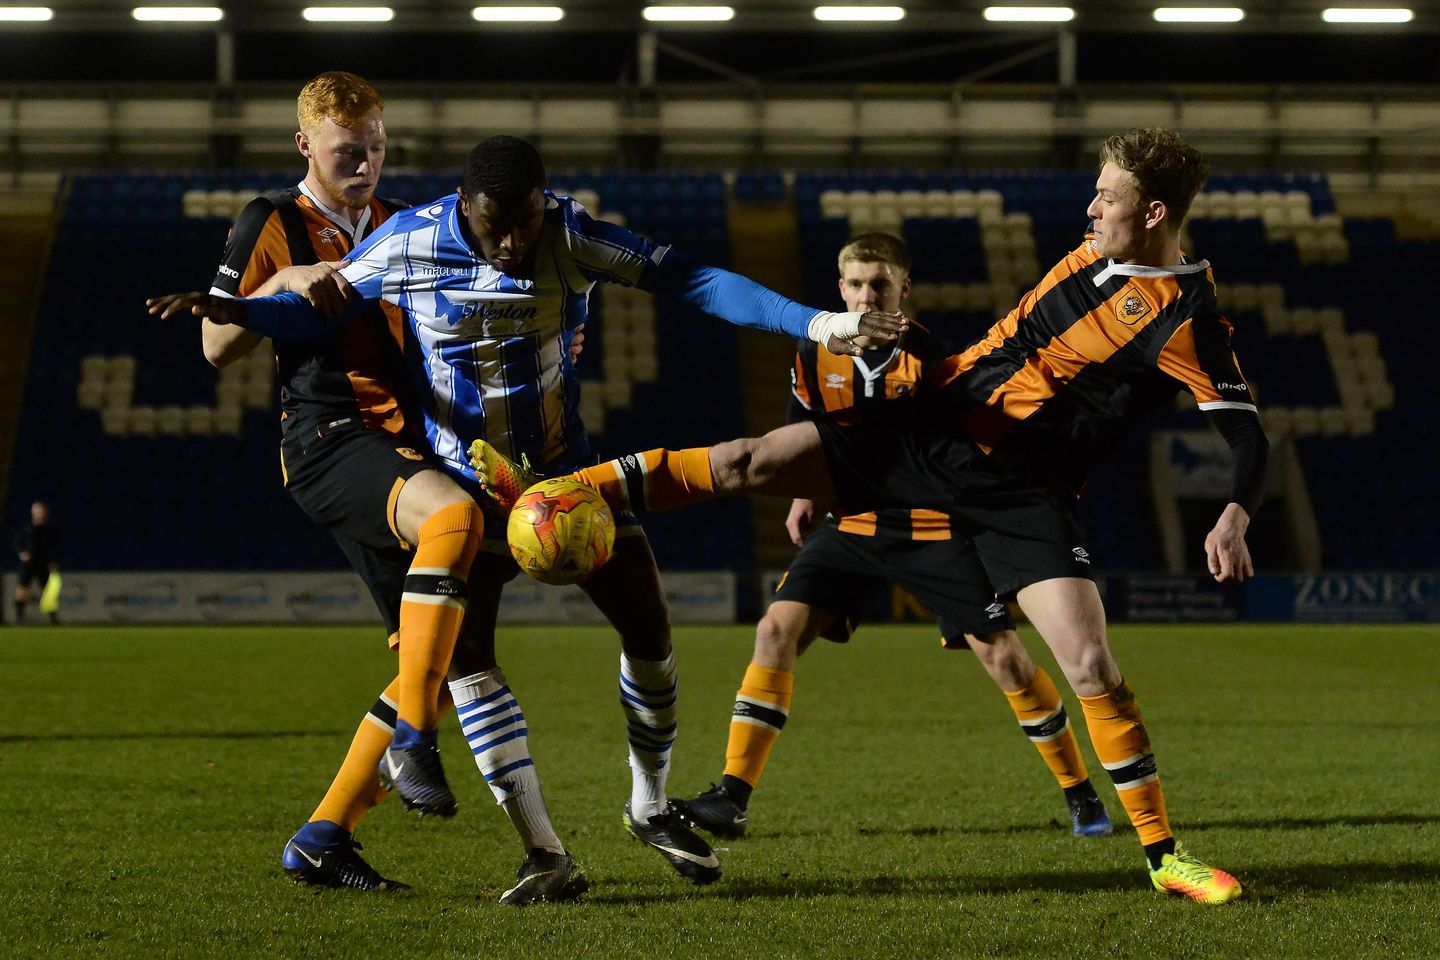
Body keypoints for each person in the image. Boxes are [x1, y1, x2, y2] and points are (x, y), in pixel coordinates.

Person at [476, 128, 1262, 905]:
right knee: (752, 460)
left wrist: (1234, 511)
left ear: (1154, 212)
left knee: (1088, 666)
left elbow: (1247, 433)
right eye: (1096, 189)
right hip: (933, 431)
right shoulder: (1092, 251)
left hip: (1024, 493)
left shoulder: (1185, 319)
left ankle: (1164, 858)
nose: (1090, 206)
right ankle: (558, 488)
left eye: (1108, 196)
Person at [148, 134, 906, 888]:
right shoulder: (409, 241)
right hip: (466, 485)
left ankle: (648, 803)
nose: (513, 240)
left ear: (545, 200)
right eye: (494, 223)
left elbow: (696, 281)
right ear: (466, 207)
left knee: (648, 620)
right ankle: (544, 852)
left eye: (526, 219)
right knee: (468, 667)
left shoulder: (571, 235)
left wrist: (821, 323)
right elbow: (320, 311)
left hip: (566, 479)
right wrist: (234, 305)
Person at [174, 72, 583, 904]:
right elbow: (217, 344)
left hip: (417, 449)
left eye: (376, 148)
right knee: (453, 524)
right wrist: (285, 284)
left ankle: (326, 838)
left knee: (450, 654)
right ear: (305, 147)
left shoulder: (403, 225)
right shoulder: (273, 221)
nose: (364, 162)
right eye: (346, 150)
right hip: (330, 440)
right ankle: (417, 743)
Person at [676, 232, 1111, 842]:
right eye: (854, 284)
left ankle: (1080, 792)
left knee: (1005, 660)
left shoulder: (934, 358)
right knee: (775, 630)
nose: (865, 296)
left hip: (931, 525)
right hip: (851, 523)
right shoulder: (813, 351)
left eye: (879, 284)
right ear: (840, 289)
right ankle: (732, 796)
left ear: (903, 291)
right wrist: (805, 493)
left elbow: (972, 443)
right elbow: (808, 425)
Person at [13, 500, 60, 624]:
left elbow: (55, 546)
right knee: (22, 589)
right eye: (37, 511)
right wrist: (22, 552)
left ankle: (53, 618)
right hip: (28, 564)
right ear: (32, 513)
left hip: (43, 564)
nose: (40, 513)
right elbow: (17, 542)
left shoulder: (50, 530)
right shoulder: (26, 529)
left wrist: (53, 560)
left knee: (47, 591)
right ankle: (19, 617)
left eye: (42, 511)